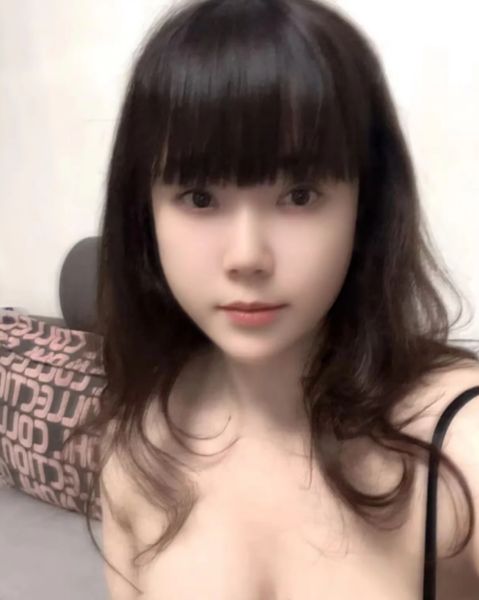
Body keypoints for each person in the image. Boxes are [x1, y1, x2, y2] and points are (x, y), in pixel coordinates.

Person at [74, 0, 479, 598]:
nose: (247, 256)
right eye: (199, 197)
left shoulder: (460, 445)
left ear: (365, 205)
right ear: (145, 214)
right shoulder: (135, 445)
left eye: (299, 194)